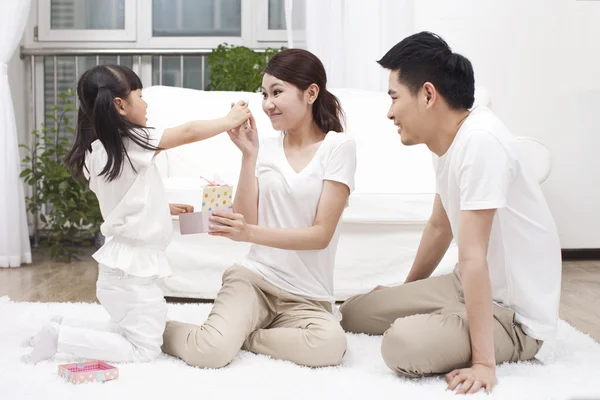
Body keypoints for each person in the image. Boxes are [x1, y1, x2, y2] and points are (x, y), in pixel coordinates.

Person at [339, 32, 562, 394]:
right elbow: (440, 227)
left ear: (428, 95)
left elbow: (474, 256)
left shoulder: (481, 142)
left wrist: (483, 364)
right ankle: (443, 319)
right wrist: (407, 291)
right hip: (466, 284)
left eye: (394, 97)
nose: (390, 112)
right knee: (353, 312)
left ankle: (466, 336)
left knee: (402, 345)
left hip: (514, 316)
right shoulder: (446, 142)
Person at [22, 64, 251, 364]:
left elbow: (123, 200)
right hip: (131, 274)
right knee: (144, 349)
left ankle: (60, 328)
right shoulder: (131, 143)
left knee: (126, 328)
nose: (146, 104)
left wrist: (161, 207)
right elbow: (188, 132)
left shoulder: (96, 152)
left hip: (120, 270)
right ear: (119, 104)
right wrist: (228, 120)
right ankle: (62, 338)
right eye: (140, 96)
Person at [162, 49, 357, 368]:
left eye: (277, 92)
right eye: (265, 94)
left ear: (310, 93)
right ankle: (152, 326)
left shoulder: (338, 148)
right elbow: (246, 221)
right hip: (255, 280)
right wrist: (248, 155)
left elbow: (320, 235)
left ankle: (245, 336)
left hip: (308, 298)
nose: (268, 103)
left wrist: (247, 231)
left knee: (330, 345)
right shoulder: (263, 149)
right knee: (209, 352)